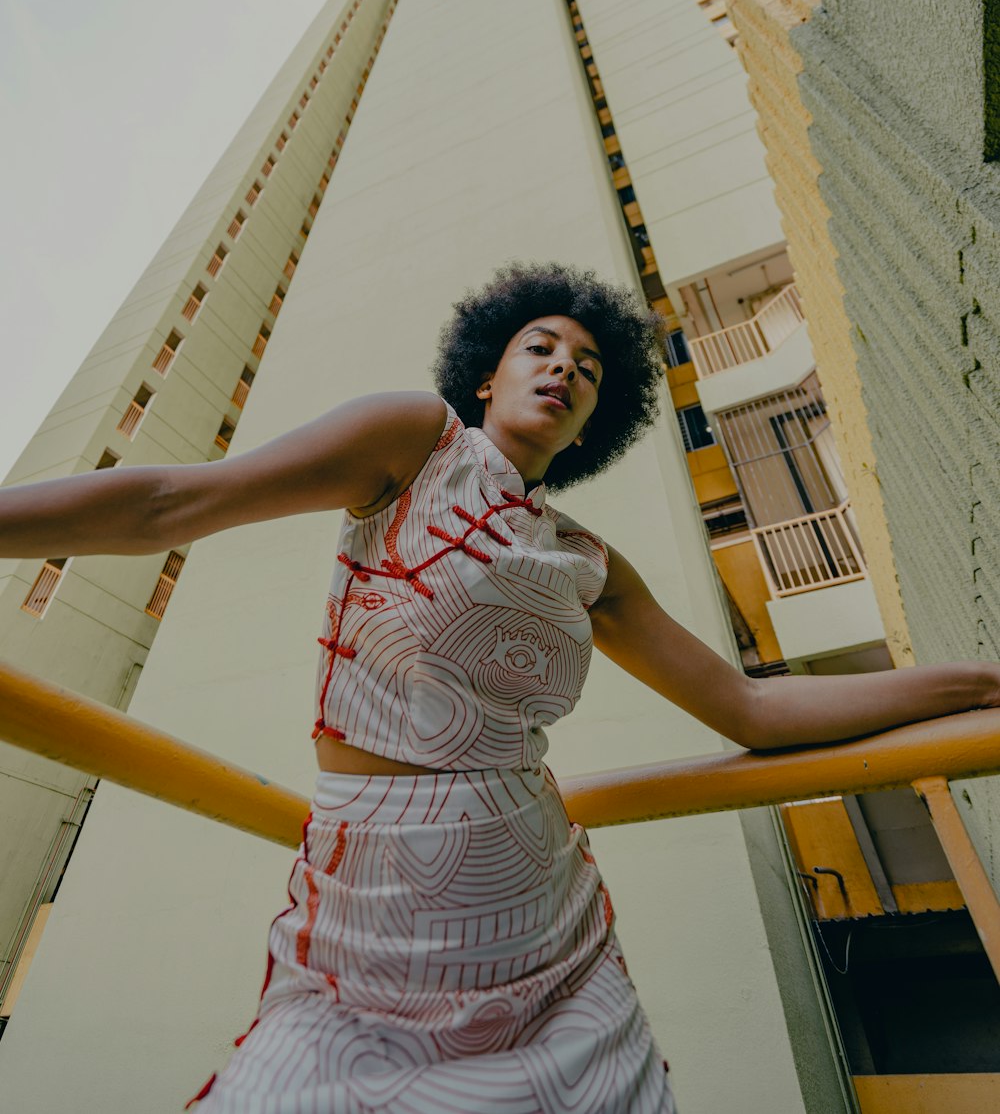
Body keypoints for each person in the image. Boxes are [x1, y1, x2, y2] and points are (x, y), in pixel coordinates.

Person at [4, 262, 998, 1114]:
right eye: (540, 347)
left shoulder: (588, 561)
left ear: (593, 424)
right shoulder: (413, 445)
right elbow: (174, 501)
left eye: (589, 366)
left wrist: (971, 685)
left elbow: (753, 711)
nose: (565, 366)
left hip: (538, 911)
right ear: (487, 375)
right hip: (374, 889)